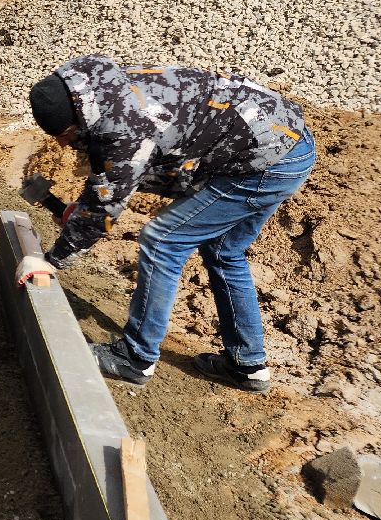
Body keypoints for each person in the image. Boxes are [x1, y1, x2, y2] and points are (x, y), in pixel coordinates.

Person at [19, 55, 314, 393]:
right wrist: (84, 211)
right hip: (283, 142)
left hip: (265, 161)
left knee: (163, 240)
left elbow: (110, 194)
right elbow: (119, 176)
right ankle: (246, 365)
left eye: (65, 134)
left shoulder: (125, 124)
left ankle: (136, 358)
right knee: (224, 251)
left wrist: (51, 260)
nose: (61, 143)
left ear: (78, 115)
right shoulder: (102, 88)